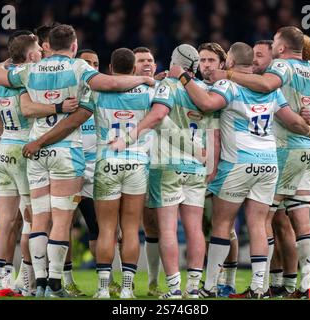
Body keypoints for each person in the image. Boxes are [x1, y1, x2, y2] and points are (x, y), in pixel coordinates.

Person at [0, 24, 154, 298]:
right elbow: (112, 83)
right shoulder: (78, 68)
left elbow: (0, 75)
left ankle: (39, 282)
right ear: (74, 45)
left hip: (36, 153)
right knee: (62, 220)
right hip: (66, 151)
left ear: (47, 45)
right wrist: (144, 80)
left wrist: (11, 57)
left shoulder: (31, 70)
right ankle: (55, 283)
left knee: (39, 219)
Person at [168, 42, 310, 299]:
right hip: (268, 164)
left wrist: (182, 77)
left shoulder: (229, 85)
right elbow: (291, 119)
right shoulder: (271, 89)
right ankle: (259, 288)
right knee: (259, 224)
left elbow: (206, 103)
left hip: (238, 163)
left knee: (222, 224)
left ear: (229, 61)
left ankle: (209, 287)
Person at [210, 26, 310, 299]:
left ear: (277, 50)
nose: (255, 61)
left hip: (283, 150)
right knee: (302, 222)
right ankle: (307, 286)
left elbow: (269, 86)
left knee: (262, 218)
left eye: (259, 55)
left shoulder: (278, 71)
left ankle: (262, 286)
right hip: (309, 151)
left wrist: (228, 74)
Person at [111, 44, 219, 299]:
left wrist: (129, 136)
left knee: (168, 230)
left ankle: (173, 289)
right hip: (197, 167)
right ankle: (193, 288)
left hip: (167, 164)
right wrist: (209, 163)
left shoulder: (168, 86)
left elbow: (159, 116)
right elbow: (214, 132)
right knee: (195, 229)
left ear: (174, 61)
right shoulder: (205, 91)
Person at [93, 48, 155, 299]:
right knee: (131, 228)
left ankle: (103, 289)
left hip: (107, 161)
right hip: (137, 162)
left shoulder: (97, 91)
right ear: (134, 69)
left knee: (107, 228)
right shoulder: (149, 92)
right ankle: (128, 289)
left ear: (110, 68)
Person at [0, 33, 42, 297]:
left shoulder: (0, 79)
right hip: (23, 151)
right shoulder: (29, 75)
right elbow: (31, 109)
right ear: (31, 55)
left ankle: (0, 283)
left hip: (2, 150)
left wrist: (5, 132)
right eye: (38, 50)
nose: (42, 52)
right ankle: (26, 280)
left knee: (5, 220)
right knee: (32, 219)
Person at [197, 42, 238, 298]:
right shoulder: (195, 88)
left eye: (211, 60)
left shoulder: (228, 87)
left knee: (224, 227)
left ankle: (228, 280)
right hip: (195, 166)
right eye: (202, 60)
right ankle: (207, 277)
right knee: (199, 226)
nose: (206, 65)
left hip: (222, 167)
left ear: (222, 64)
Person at [133, 46, 163, 297]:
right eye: (141, 60)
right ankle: (120, 280)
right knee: (126, 225)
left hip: (157, 164)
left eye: (150, 60)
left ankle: (153, 281)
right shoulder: (118, 88)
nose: (147, 64)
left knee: (154, 226)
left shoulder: (162, 89)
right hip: (129, 161)